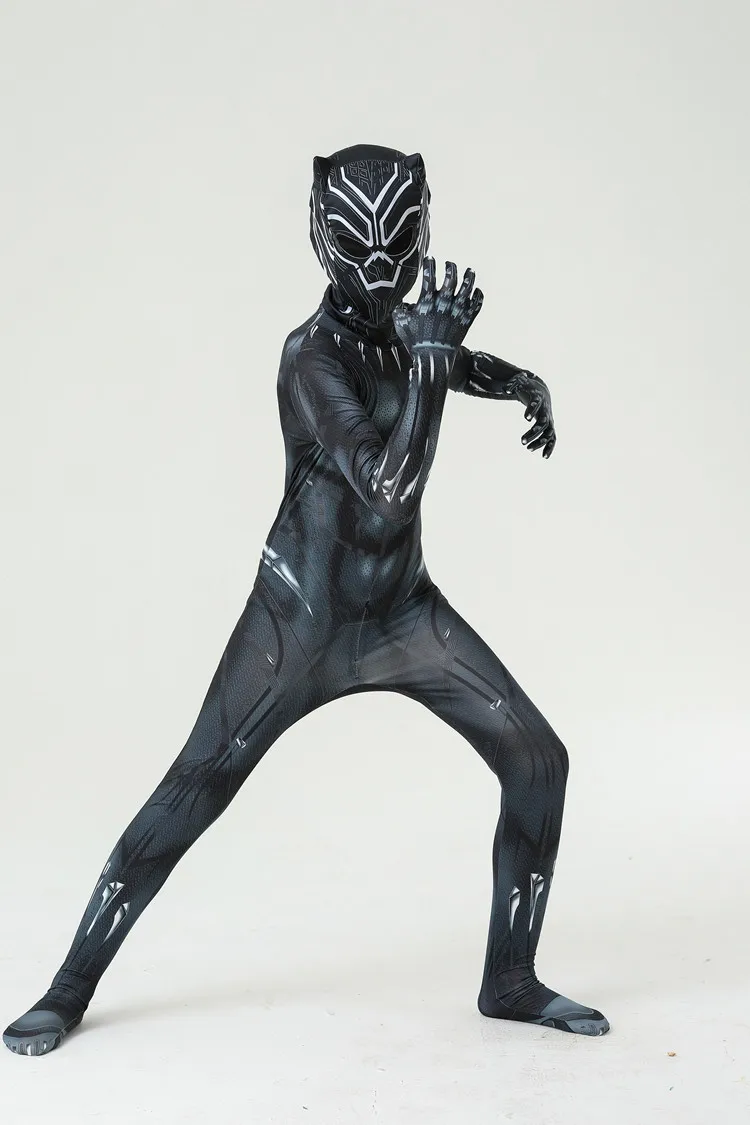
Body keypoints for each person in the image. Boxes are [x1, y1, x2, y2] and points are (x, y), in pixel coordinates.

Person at [3, 143, 609, 1057]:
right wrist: (434, 363)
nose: (384, 275)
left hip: (402, 611)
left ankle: (511, 979)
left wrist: (520, 381)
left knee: (538, 759)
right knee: (195, 786)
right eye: (363, 251)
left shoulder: (402, 334)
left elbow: (452, 361)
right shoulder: (310, 358)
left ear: (425, 231)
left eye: (400, 249)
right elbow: (390, 489)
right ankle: (67, 987)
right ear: (322, 241)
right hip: (299, 623)